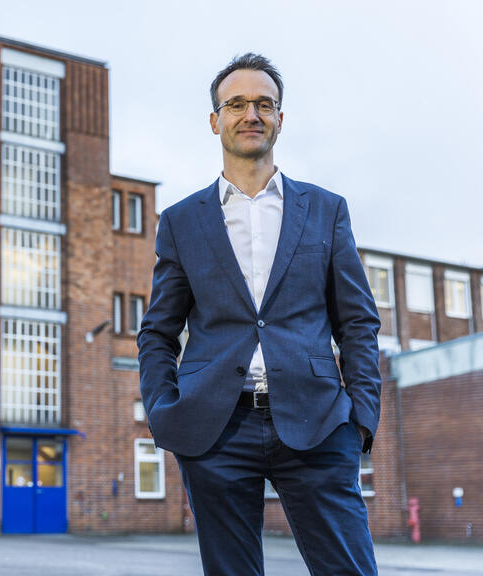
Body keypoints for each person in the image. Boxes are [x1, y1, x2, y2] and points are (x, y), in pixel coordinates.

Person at [137, 53, 381, 576]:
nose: (251, 114)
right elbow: (158, 330)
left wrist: (360, 418)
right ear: (215, 120)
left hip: (319, 423)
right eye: (237, 104)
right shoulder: (181, 221)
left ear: (280, 119)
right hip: (215, 430)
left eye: (264, 104)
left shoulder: (326, 209)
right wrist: (162, 409)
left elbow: (358, 322)